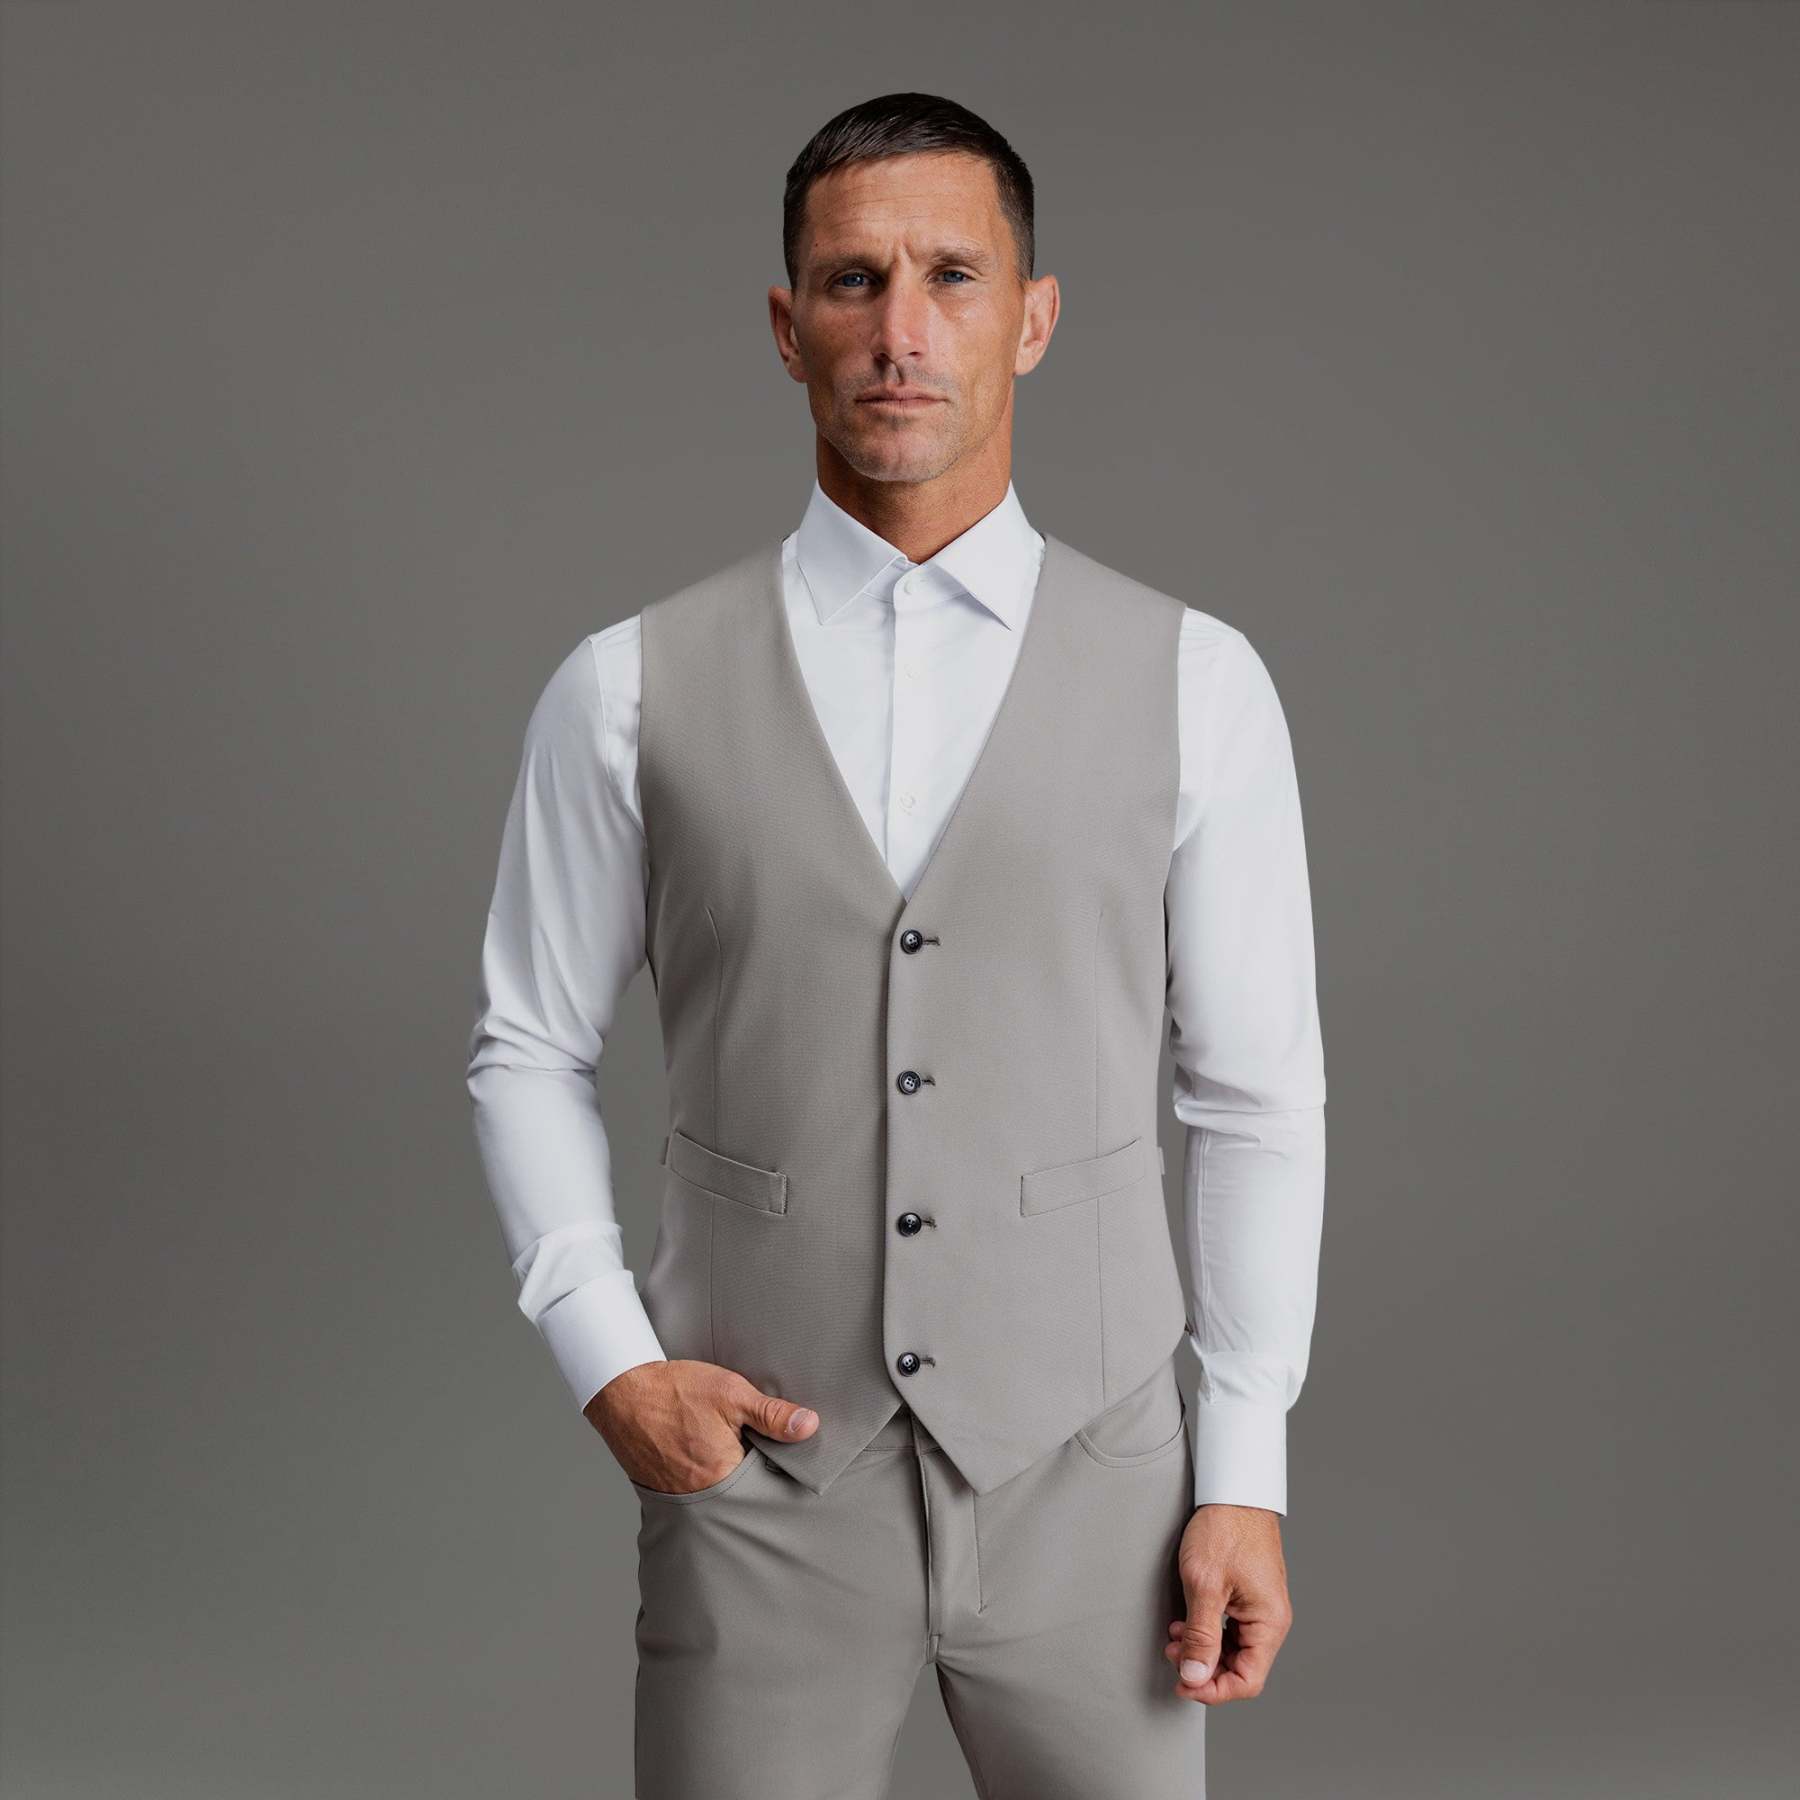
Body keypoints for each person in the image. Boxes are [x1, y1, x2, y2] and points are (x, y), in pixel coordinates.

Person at [465, 89, 1326, 1800]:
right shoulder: (625, 688)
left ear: (1034, 316)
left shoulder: (1197, 681)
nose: (902, 330)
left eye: (952, 275)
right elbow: (526, 1045)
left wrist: (1243, 1467)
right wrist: (610, 1362)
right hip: (761, 1483)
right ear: (788, 328)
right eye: (853, 281)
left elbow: (1253, 1096)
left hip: (1098, 1486)